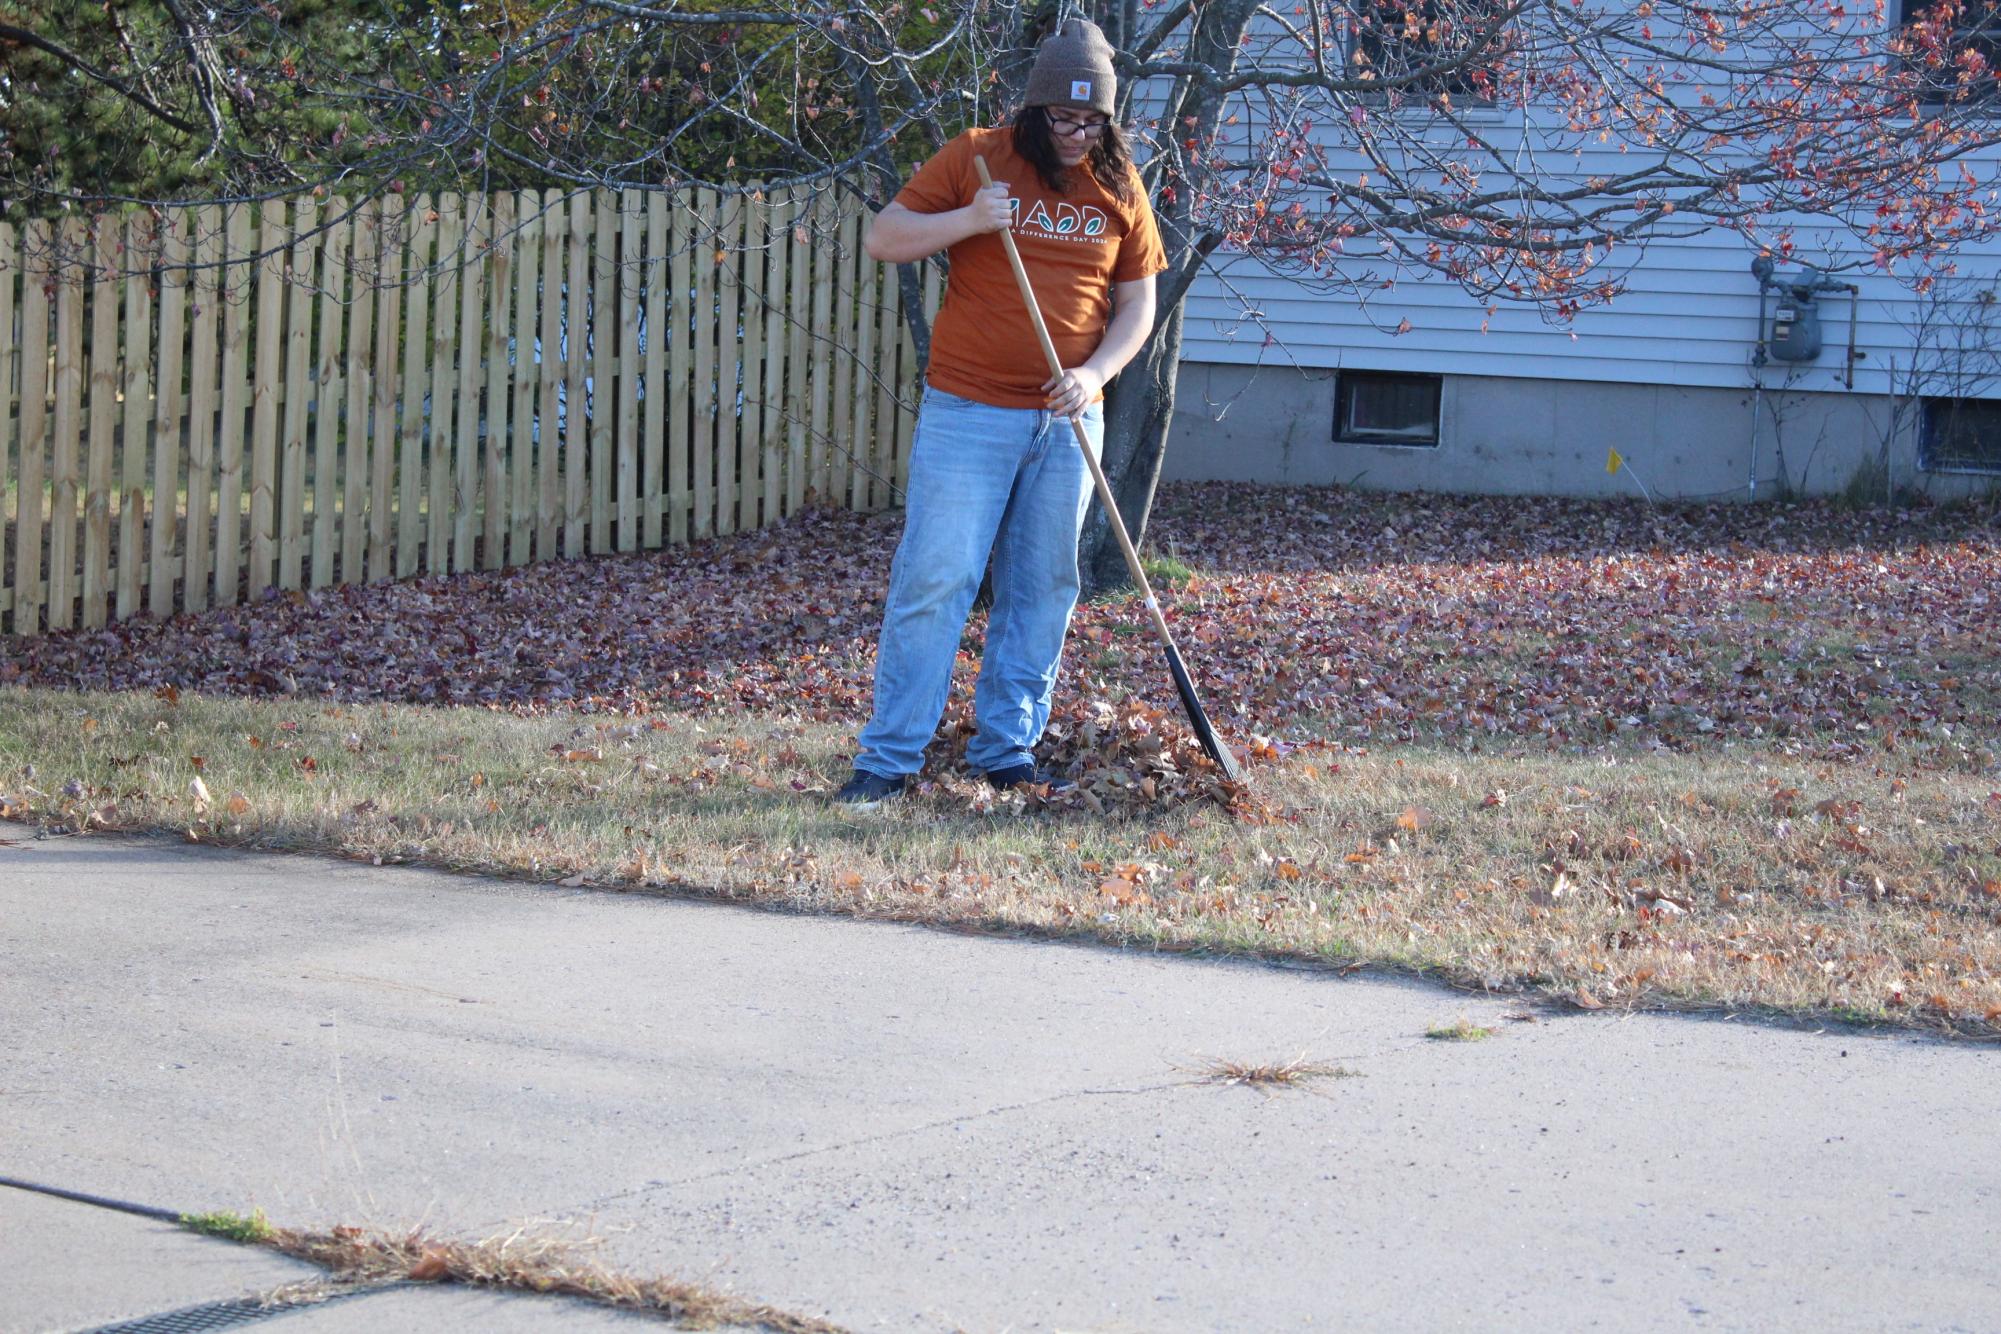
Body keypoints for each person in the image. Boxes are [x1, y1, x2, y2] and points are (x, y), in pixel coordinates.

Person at [834, 18, 1166, 807]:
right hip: (967, 413)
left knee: (1044, 587)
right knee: (937, 579)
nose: (1077, 134)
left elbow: (1138, 304)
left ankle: (1005, 749)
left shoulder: (1120, 183)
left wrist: (1094, 375)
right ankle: (888, 761)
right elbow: (885, 237)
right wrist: (970, 221)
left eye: (1093, 121)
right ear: (1033, 109)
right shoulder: (979, 157)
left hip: (1065, 423)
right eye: (1062, 118)